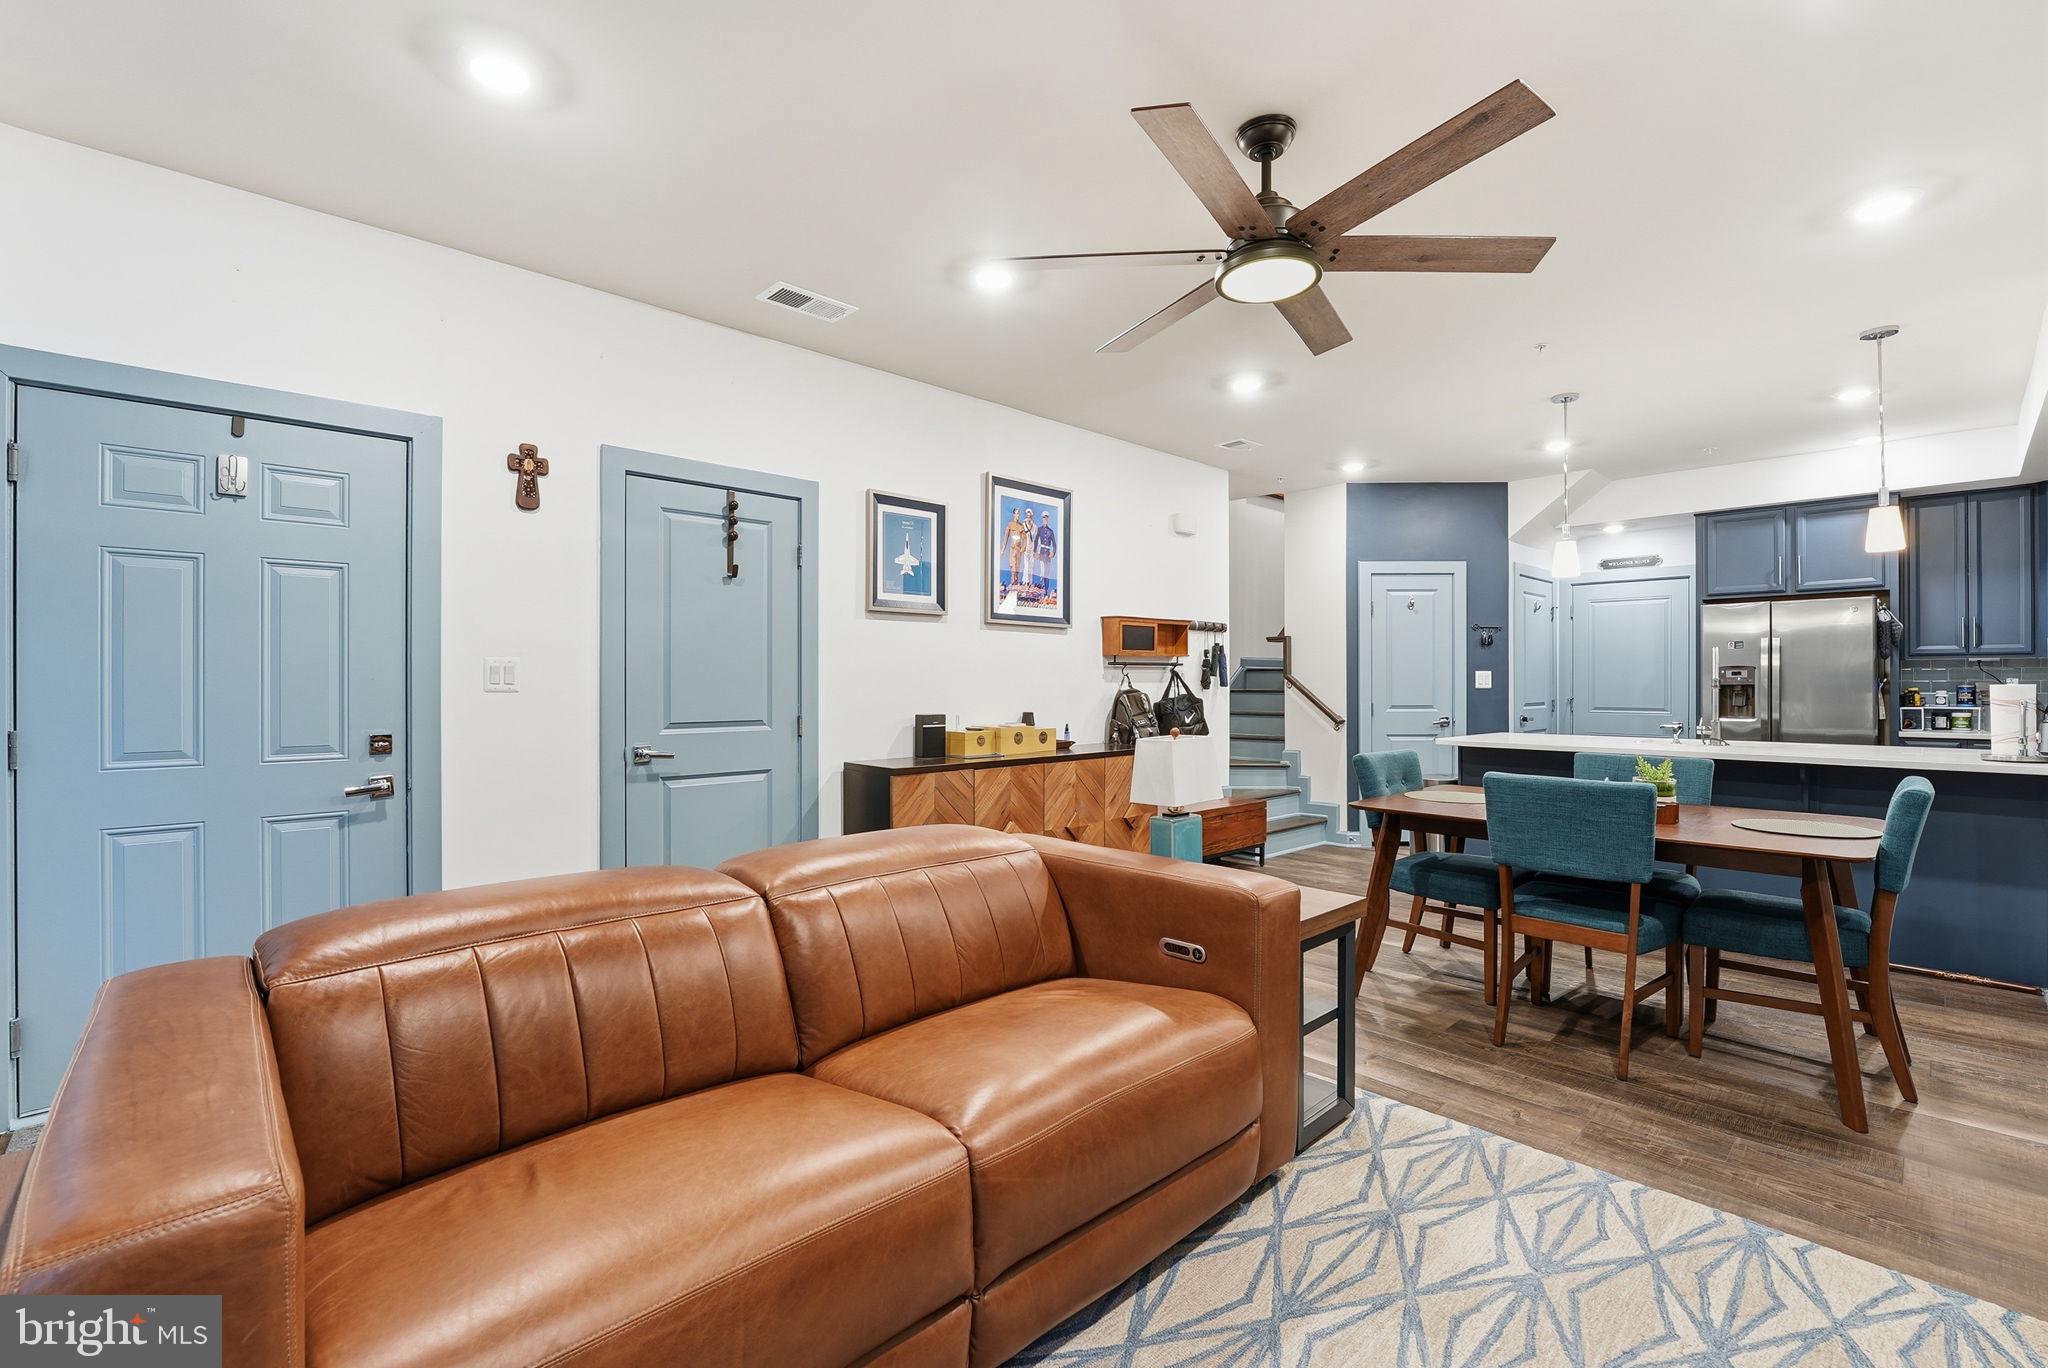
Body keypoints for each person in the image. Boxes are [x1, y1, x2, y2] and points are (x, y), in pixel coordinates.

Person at [1002, 507, 1030, 597]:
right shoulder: (1010, 524)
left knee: (1017, 570)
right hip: (1012, 549)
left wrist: (1023, 548)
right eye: (1016, 513)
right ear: (1014, 514)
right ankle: (1012, 589)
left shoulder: (1021, 526)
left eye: (1019, 513)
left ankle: (1015, 592)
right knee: (1013, 569)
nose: (1018, 515)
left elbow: (1025, 538)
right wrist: (1002, 549)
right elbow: (1005, 538)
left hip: (1018, 551)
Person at [1034, 509, 1057, 598]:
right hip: (1041, 553)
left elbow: (1054, 544)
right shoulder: (1039, 529)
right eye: (1044, 518)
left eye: (1046, 518)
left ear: (1048, 519)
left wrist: (1053, 552)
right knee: (1042, 572)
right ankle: (1042, 590)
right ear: (1042, 519)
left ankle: (1046, 591)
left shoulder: (1051, 531)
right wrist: (1035, 552)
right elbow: (1036, 540)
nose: (1045, 519)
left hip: (1048, 555)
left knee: (1047, 573)